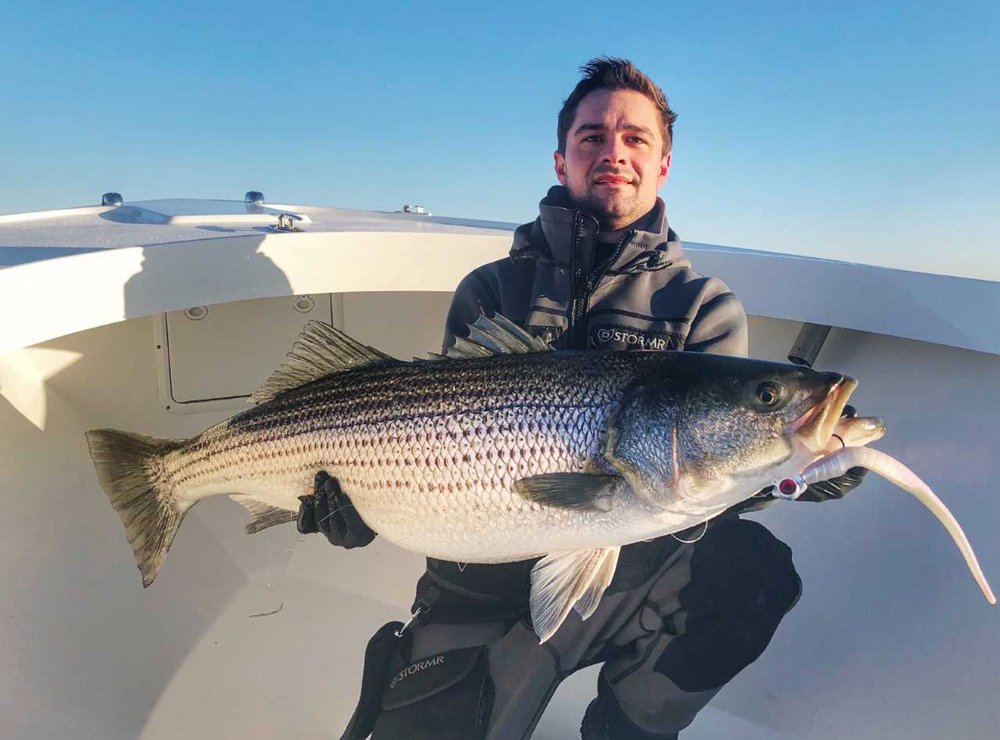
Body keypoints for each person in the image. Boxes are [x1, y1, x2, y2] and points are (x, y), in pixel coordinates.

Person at [297, 57, 866, 740]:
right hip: (477, 584)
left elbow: (711, 470)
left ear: (663, 166)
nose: (613, 152)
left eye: (636, 139)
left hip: (633, 575)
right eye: (593, 136)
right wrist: (361, 503)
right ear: (562, 159)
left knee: (751, 571)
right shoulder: (491, 288)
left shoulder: (704, 307)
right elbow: (431, 441)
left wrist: (787, 472)